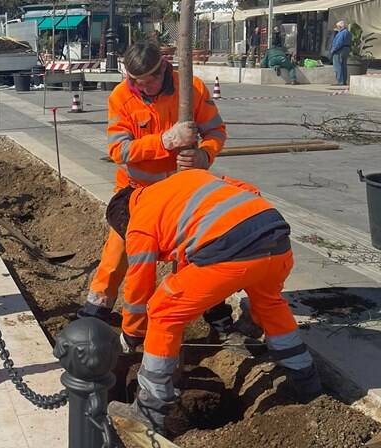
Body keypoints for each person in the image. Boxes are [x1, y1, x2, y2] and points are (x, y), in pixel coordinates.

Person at [106, 169, 322, 434]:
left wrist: (132, 334)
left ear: (123, 221)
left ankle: (149, 413)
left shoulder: (139, 222)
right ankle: (306, 383)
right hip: (275, 235)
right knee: (270, 304)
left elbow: (139, 291)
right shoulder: (182, 182)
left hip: (232, 249)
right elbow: (248, 189)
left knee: (163, 310)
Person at [77, 41, 227, 337]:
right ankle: (96, 308)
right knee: (119, 249)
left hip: (184, 191)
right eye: (137, 82)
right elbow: (119, 150)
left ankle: (216, 313)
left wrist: (204, 155)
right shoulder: (121, 98)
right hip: (138, 191)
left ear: (164, 69)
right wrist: (164, 142)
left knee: (195, 251)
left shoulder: (191, 89)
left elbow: (216, 131)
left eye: (150, 80)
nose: (144, 88)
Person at [331, 20, 352, 86]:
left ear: (340, 27)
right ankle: (343, 81)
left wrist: (333, 50)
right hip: (346, 49)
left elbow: (339, 43)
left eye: (338, 26)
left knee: (338, 66)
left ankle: (340, 81)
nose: (337, 28)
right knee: (343, 65)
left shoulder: (342, 33)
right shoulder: (348, 33)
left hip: (340, 50)